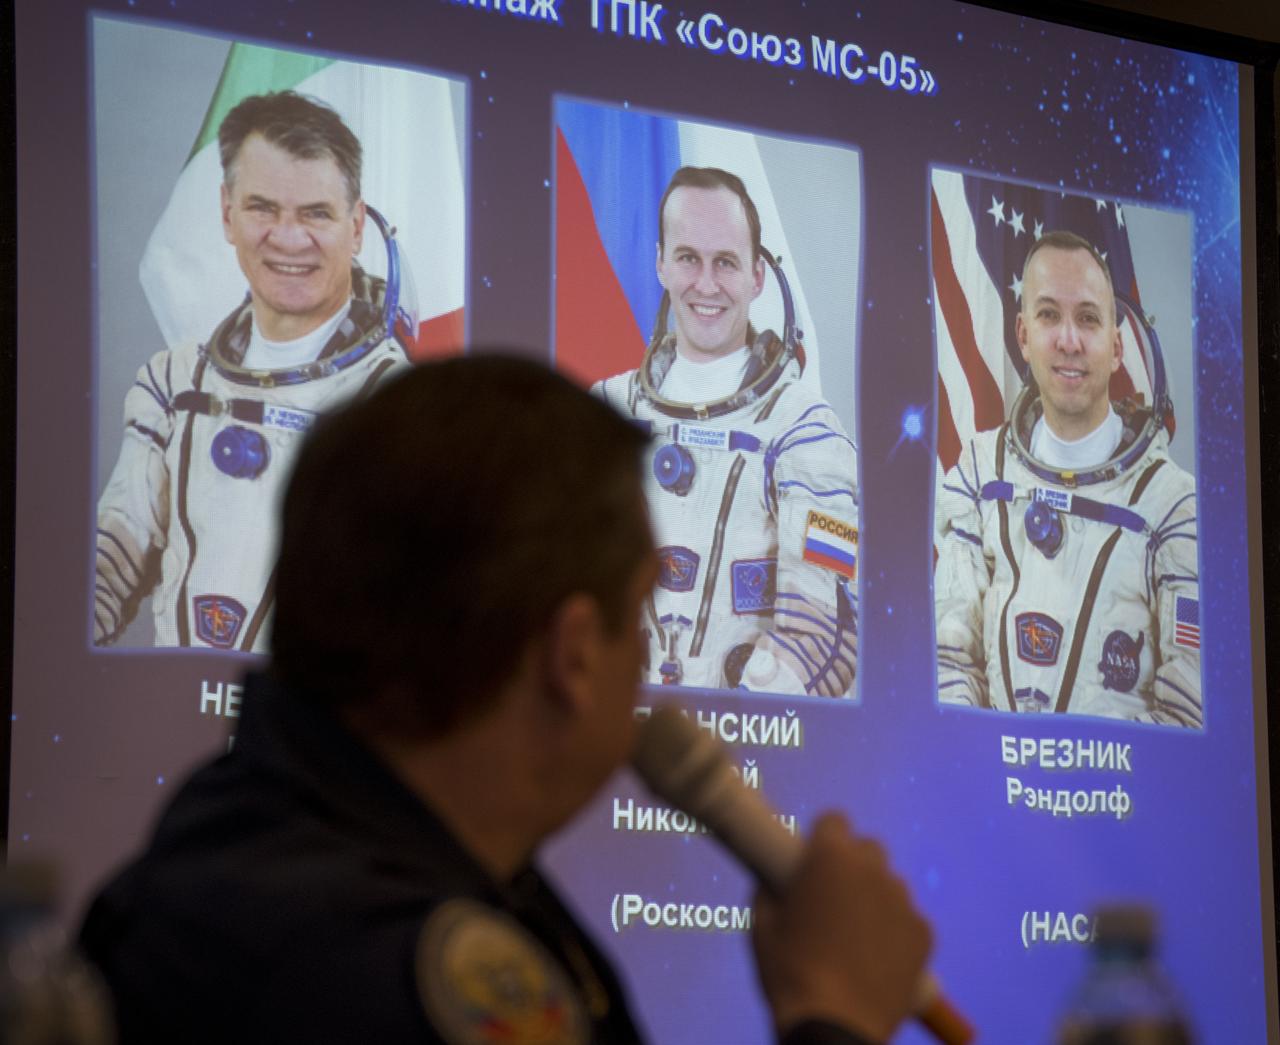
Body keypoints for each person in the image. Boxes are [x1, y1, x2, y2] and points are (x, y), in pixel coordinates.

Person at [79, 356, 933, 1045]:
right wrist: (834, 1015)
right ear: (571, 655)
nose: (648, 656)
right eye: (639, 610)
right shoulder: (397, 981)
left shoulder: (250, 832)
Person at [94, 91, 411, 652]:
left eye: (317, 213)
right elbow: (116, 553)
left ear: (357, 226)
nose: (288, 239)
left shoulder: (399, 408)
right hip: (175, 719)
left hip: (314, 729)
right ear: (227, 214)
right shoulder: (175, 383)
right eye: (263, 208)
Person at [594, 167, 859, 698]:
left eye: (727, 262)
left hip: (747, 756)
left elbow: (826, 627)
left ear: (757, 274)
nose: (707, 284)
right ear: (661, 263)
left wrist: (739, 725)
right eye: (688, 257)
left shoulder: (809, 433)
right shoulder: (602, 413)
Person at [934, 231, 1201, 726]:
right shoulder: (978, 474)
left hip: (1117, 793)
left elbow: (1188, 711)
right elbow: (949, 661)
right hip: (993, 783)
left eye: (1088, 319)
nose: (1069, 340)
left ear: (1117, 347)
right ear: (1023, 335)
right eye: (1049, 315)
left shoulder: (1171, 504)